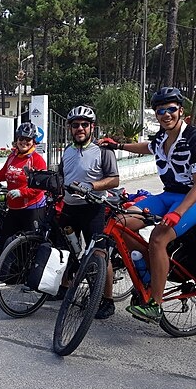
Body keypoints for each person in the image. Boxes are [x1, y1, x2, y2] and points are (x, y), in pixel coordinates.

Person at [101, 87, 196, 324]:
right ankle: (150, 266)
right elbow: (147, 147)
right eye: (160, 111)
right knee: (119, 222)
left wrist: (178, 214)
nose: (166, 115)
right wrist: (118, 146)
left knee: (158, 237)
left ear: (181, 111)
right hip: (169, 194)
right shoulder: (162, 137)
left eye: (171, 109)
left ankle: (155, 304)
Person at [58, 106, 120, 319]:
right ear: (70, 128)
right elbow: (62, 176)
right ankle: (65, 287)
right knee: (65, 250)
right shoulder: (67, 150)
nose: (80, 128)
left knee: (99, 254)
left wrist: (91, 186)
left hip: (93, 208)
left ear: (92, 127)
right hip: (69, 207)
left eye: (85, 124)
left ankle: (107, 300)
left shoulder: (103, 151)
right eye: (75, 125)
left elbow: (114, 179)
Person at [0, 122, 47, 288]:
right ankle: (4, 276)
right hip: (13, 207)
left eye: (27, 139)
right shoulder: (12, 156)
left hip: (32, 208)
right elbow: (2, 174)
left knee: (29, 245)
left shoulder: (37, 160)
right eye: (21, 139)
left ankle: (30, 279)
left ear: (34, 141)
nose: (23, 142)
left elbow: (40, 186)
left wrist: (22, 192)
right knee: (5, 242)